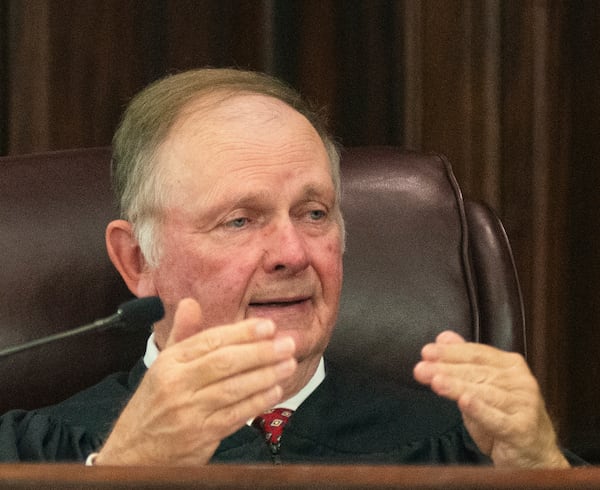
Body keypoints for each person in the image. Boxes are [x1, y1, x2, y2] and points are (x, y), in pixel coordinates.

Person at [0, 68, 576, 467]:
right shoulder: (33, 451)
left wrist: (541, 471)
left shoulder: (460, 446)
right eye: (239, 221)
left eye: (314, 213)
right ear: (138, 260)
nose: (293, 253)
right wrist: (123, 471)